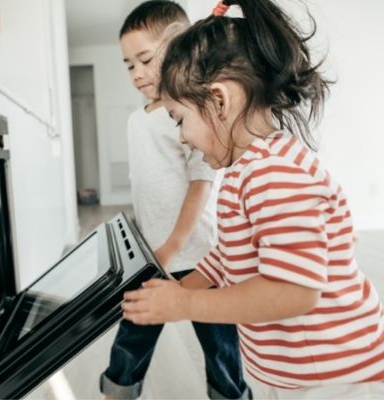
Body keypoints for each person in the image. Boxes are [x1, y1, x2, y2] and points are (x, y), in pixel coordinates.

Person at [122, 0, 384, 398]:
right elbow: (229, 256)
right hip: (298, 373)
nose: (182, 137)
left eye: (180, 119)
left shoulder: (275, 173)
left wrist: (186, 307)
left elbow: (293, 291)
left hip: (339, 379)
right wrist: (181, 289)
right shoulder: (243, 172)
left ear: (219, 101)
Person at [99, 1, 250, 399]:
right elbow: (146, 185)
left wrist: (174, 246)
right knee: (134, 329)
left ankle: (230, 394)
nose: (137, 73)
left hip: (197, 254)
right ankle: (118, 390)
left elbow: (202, 182)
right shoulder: (137, 120)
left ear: (179, 49)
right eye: (128, 65)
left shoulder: (187, 112)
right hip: (154, 254)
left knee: (219, 342)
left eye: (145, 60)